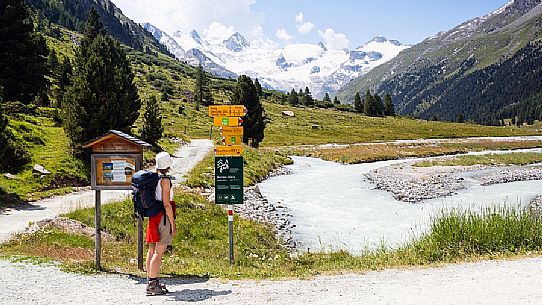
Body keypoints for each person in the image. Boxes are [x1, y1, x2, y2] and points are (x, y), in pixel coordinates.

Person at [146, 151, 177, 296]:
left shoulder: (153, 178)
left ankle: (151, 281)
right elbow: (166, 204)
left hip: (153, 217)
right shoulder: (165, 180)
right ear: (168, 164)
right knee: (159, 252)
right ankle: (152, 285)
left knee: (152, 250)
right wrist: (173, 223)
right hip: (162, 218)